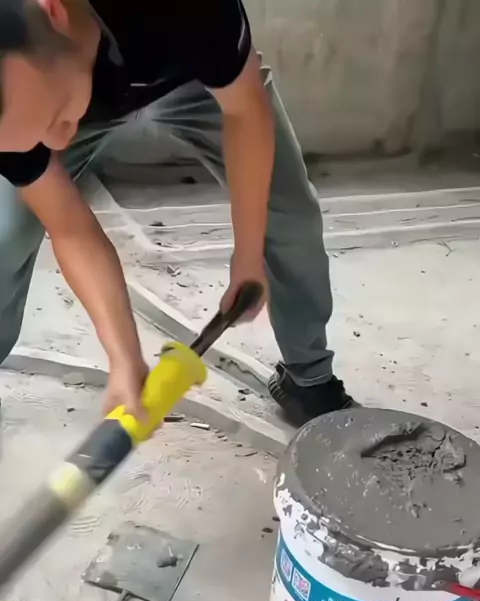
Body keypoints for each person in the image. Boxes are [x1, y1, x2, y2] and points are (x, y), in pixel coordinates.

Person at [0, 0, 353, 427]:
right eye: (35, 138)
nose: (60, 141)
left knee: (286, 211)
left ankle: (309, 378)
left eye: (56, 117)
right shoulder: (18, 102)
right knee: (4, 234)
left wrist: (248, 255)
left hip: (193, 77)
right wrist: (124, 356)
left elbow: (244, 110)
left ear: (51, 10)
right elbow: (69, 227)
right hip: (71, 85)